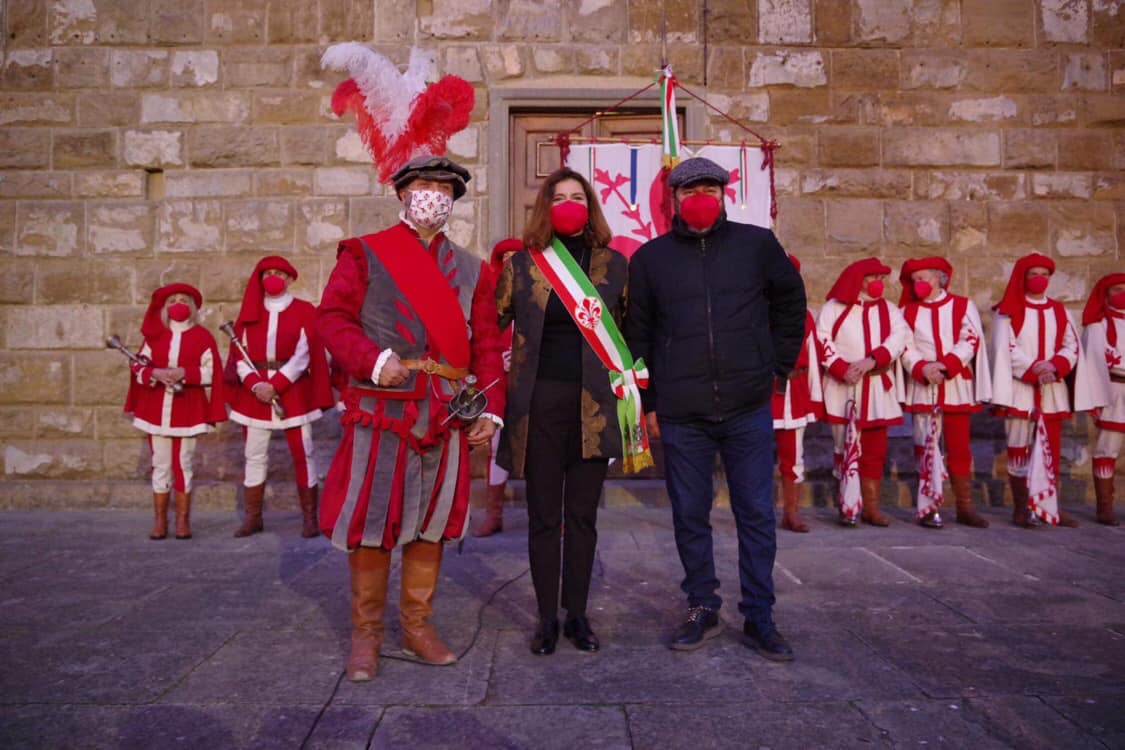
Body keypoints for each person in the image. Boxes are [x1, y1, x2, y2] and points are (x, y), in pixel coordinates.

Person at [316, 154, 505, 683]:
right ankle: (366, 634)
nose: (433, 195)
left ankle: (417, 625)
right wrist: (373, 360)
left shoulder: (474, 270)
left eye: (444, 189)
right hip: (382, 412)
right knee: (373, 523)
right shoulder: (364, 254)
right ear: (402, 193)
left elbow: (487, 343)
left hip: (445, 414)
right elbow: (331, 319)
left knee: (432, 525)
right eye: (423, 185)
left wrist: (490, 407)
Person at [626, 157, 806, 662]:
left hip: (747, 405)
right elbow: (638, 332)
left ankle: (760, 615)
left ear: (725, 193)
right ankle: (701, 605)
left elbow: (791, 304)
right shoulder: (651, 259)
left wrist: (777, 365)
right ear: (675, 199)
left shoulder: (757, 245)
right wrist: (651, 402)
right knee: (689, 514)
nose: (700, 196)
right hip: (683, 412)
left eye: (710, 187)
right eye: (690, 189)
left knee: (754, 514)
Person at [496, 168, 641, 656]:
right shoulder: (521, 265)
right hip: (538, 407)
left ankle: (577, 614)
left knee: (582, 516)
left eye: (577, 197)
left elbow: (630, 336)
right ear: (545, 206)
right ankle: (544, 618)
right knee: (542, 516)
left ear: (590, 205)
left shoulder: (615, 266)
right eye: (558, 197)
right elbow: (488, 324)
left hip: (595, 407)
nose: (568, 205)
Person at [226, 256, 333, 538]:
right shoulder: (250, 310)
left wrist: (277, 384)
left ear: (289, 278)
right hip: (256, 392)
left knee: (303, 452)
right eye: (268, 273)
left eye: (279, 273)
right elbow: (239, 354)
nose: (273, 277)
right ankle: (253, 517)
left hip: (293, 392)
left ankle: (309, 517)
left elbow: (305, 352)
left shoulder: (304, 311)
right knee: (254, 455)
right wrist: (255, 384)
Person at [124, 283, 226, 540]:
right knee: (160, 464)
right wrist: (153, 372)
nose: (177, 304)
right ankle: (160, 521)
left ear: (192, 306)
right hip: (155, 408)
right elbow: (137, 366)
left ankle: (182, 521)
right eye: (172, 300)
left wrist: (185, 373)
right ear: (164, 307)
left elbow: (213, 372)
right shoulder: (154, 335)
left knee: (183, 463)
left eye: (183, 299)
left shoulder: (203, 337)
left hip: (188, 409)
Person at [898, 257, 992, 528]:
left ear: (940, 278)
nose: (919, 284)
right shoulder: (907, 311)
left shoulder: (963, 305)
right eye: (914, 280)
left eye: (924, 278)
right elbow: (905, 345)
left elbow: (970, 339)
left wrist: (946, 365)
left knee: (959, 447)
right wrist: (923, 368)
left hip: (955, 387)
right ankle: (928, 507)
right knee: (924, 446)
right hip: (922, 386)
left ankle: (965, 506)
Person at [990, 253, 1081, 528]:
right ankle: (1021, 508)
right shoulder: (1006, 310)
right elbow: (1005, 347)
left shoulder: (1059, 310)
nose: (1040, 279)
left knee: (1050, 449)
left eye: (1044, 274)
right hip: (1021, 389)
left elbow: (1071, 345)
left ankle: (1047, 505)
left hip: (1051, 388)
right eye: (1033, 274)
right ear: (1023, 277)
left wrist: (1055, 366)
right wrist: (1034, 369)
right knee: (1018, 448)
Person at [818, 257, 909, 527]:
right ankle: (847, 506)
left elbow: (900, 337)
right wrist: (840, 367)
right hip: (842, 388)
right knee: (843, 447)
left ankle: (871, 507)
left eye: (881, 279)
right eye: (873, 279)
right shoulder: (834, 308)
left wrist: (873, 359)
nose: (878, 284)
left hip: (878, 388)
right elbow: (822, 339)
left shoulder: (890, 310)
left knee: (875, 450)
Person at [472, 238, 522, 538]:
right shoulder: (489, 295)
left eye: (517, 256)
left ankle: (556, 516)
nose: (510, 261)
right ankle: (494, 514)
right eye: (505, 256)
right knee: (496, 447)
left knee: (546, 448)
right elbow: (483, 334)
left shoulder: (540, 291)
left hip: (535, 381)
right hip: (499, 382)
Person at [771, 254, 823, 533]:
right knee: (750, 456)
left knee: (793, 457)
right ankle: (754, 512)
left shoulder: (804, 317)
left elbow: (813, 356)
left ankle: (791, 513)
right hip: (761, 393)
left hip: (794, 392)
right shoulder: (754, 312)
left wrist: (814, 399)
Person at [1075, 273, 1125, 525]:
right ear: (1105, 293)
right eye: (1116, 289)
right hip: (1114, 390)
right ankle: (1105, 506)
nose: (1122, 294)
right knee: (1108, 448)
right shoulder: (1097, 325)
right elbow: (1095, 360)